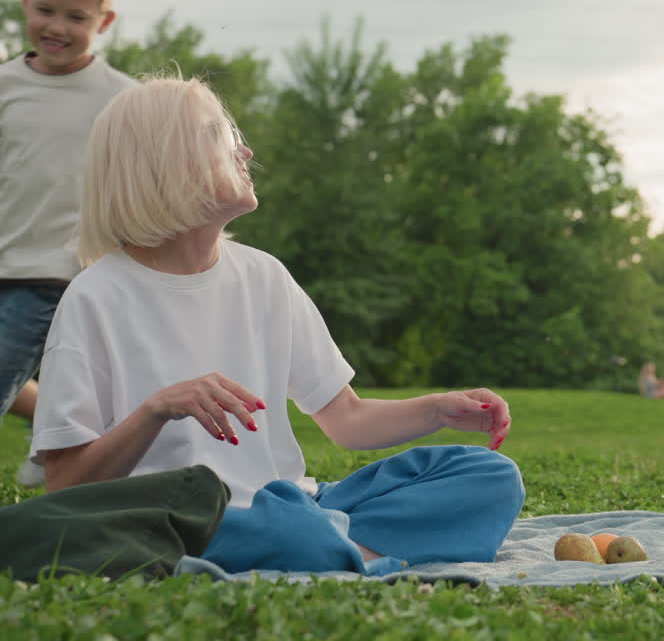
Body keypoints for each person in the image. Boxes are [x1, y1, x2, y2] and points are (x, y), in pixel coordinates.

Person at [27, 77, 525, 575]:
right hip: (187, 519)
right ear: (165, 161)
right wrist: (158, 409)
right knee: (286, 529)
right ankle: (340, 551)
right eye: (220, 137)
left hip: (295, 506)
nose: (244, 150)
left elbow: (346, 419)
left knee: (488, 475)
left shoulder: (264, 276)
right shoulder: (95, 297)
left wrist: (439, 408)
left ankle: (335, 552)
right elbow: (66, 488)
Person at [0, 0, 137, 489]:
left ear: (103, 22)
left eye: (76, 16)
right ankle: (68, 441)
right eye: (46, 10)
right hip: (5, 258)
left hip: (58, 270)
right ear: (24, 1)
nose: (57, 27)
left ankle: (69, 448)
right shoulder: (4, 86)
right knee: (43, 382)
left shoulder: (120, 97)